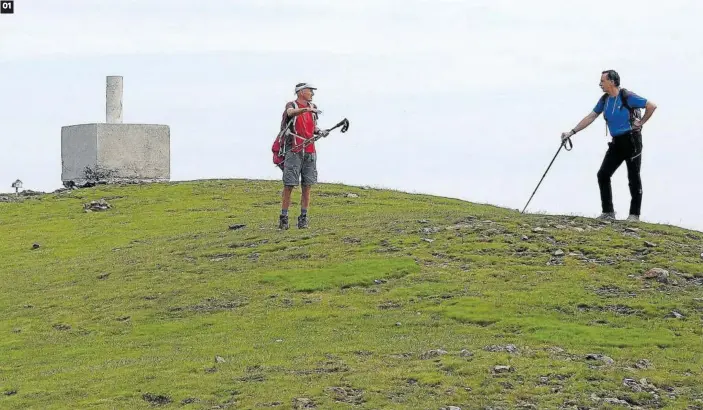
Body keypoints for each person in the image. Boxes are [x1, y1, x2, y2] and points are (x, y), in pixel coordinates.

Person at [561, 70, 657, 222]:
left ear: (612, 82)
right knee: (603, 174)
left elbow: (651, 106)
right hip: (616, 142)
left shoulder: (627, 96)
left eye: (602, 81)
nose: (600, 84)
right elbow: (591, 116)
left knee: (633, 177)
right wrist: (571, 132)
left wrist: (641, 122)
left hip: (632, 141)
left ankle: (634, 215)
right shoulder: (605, 100)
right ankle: (608, 212)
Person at [277, 83, 329, 230]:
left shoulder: (313, 107)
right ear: (301, 92)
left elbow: (313, 127)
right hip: (294, 150)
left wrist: (320, 132)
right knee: (289, 185)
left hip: (310, 150)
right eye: (310, 91)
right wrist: (306, 109)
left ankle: (303, 218)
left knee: (307, 185)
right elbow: (290, 113)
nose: (312, 93)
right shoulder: (292, 104)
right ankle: (284, 218)